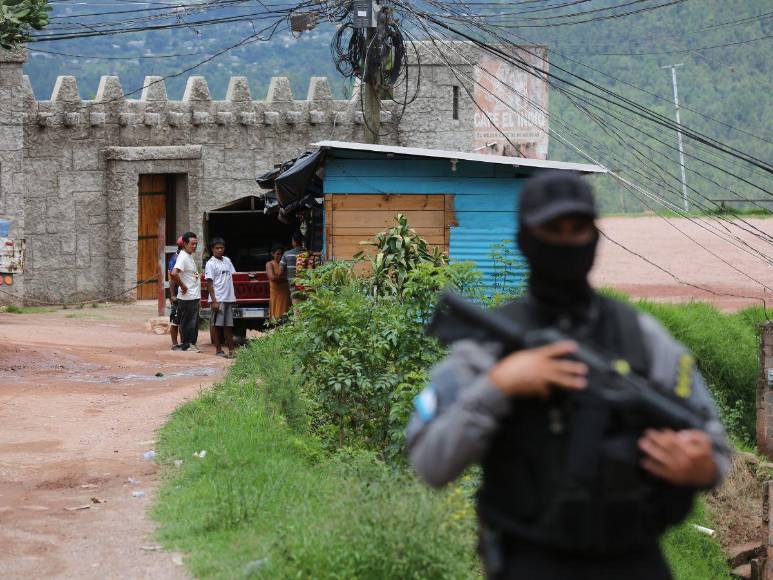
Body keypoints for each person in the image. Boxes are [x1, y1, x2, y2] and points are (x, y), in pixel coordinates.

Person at [407, 172, 731, 580]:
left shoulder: (642, 337)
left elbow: (715, 448)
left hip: (634, 561)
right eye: (552, 229)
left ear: (594, 237)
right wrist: (499, 386)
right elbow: (429, 463)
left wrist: (701, 466)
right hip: (529, 561)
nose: (565, 241)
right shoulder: (488, 347)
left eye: (577, 229)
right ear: (526, 238)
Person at [205, 237, 236, 358]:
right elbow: (209, 283)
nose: (219, 250)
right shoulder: (210, 264)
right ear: (212, 249)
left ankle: (232, 350)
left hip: (228, 298)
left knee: (228, 325)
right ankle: (218, 349)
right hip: (218, 298)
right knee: (216, 325)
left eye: (221, 248)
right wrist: (214, 301)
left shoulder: (227, 260)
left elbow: (233, 275)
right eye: (217, 248)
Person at [170, 231, 201, 353]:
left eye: (196, 244)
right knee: (189, 322)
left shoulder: (188, 256)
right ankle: (188, 344)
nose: (194, 246)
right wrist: (183, 286)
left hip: (193, 295)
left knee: (191, 321)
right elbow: (174, 273)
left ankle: (189, 344)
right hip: (188, 297)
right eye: (192, 244)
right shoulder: (182, 256)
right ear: (185, 244)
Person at [266, 246, 290, 321]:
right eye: (278, 254)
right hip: (275, 295)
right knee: (276, 319)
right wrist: (286, 278)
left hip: (285, 293)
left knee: (286, 317)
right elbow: (272, 277)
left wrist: (279, 278)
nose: (280, 256)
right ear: (272, 254)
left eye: (282, 254)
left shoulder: (285, 264)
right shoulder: (269, 264)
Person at [280, 232, 304, 303]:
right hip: (306, 286)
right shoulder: (308, 253)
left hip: (294, 287)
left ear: (294, 242)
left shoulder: (287, 254)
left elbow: (280, 272)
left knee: (297, 310)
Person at [168, 237, 183, 350]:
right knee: (175, 320)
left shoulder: (184, 257)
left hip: (185, 294)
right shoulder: (176, 258)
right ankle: (174, 344)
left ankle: (184, 342)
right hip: (177, 294)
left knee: (183, 320)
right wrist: (172, 295)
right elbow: (172, 278)